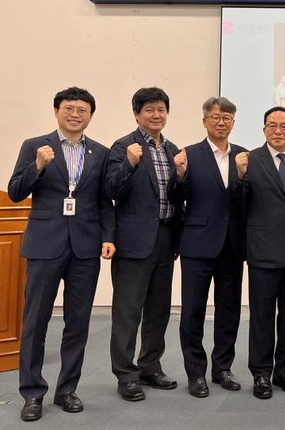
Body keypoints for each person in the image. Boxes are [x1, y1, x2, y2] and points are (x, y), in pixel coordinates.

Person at [8, 87, 115, 422]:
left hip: (85, 246)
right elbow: (15, 192)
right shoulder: (34, 146)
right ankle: (32, 392)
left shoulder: (100, 152)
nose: (75, 115)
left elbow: (103, 200)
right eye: (69, 108)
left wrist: (108, 237)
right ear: (56, 111)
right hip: (45, 244)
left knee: (78, 322)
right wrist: (38, 166)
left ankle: (67, 389)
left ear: (90, 116)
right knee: (35, 321)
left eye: (83, 110)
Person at [169, 97, 248, 398]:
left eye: (226, 117)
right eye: (215, 117)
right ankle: (196, 373)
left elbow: (246, 201)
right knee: (193, 312)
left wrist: (242, 178)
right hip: (198, 243)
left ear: (233, 123)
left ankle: (222, 368)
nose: (221, 122)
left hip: (232, 245)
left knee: (229, 311)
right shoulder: (189, 154)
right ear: (204, 121)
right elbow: (176, 198)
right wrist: (178, 175)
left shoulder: (243, 155)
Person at [106, 87, 181, 402]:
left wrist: (182, 175)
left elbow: (177, 195)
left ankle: (150, 365)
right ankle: (126, 375)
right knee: (128, 312)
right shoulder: (123, 146)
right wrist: (129, 163)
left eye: (161, 109)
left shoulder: (173, 149)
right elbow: (109, 190)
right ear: (137, 114)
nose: (156, 115)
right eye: (149, 109)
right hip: (133, 242)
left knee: (158, 310)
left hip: (166, 238)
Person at [241, 106, 285, 399]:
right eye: (272, 125)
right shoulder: (250, 160)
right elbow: (239, 202)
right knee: (261, 315)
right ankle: (261, 373)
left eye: (284, 126)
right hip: (262, 250)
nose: (278, 130)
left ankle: (283, 370)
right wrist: (239, 177)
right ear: (264, 130)